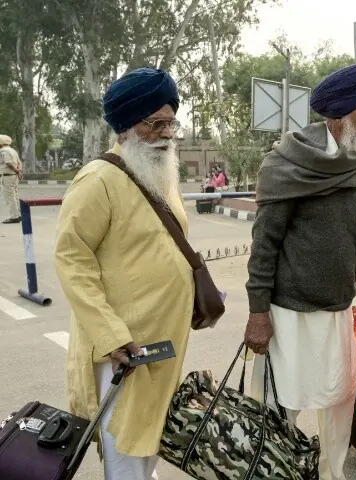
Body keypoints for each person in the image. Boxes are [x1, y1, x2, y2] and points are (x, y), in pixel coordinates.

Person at [243, 61, 356, 480]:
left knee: (339, 407)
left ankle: (330, 475)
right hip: (287, 315)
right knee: (276, 411)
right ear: (339, 114)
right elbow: (264, 246)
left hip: (338, 312)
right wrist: (257, 314)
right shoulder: (289, 164)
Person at [54, 67, 191, 480]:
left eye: (172, 122)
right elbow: (71, 260)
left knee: (150, 443)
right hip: (124, 349)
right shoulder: (98, 179)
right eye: (157, 123)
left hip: (163, 344)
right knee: (125, 447)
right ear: (128, 126)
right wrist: (111, 334)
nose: (168, 133)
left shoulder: (159, 174)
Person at [0, 134, 23, 224]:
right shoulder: (13, 150)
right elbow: (19, 163)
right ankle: (18, 214)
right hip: (14, 176)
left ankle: (14, 216)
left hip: (7, 176)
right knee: (15, 195)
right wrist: (19, 171)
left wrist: (17, 171)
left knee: (10, 196)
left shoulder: (3, 151)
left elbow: (8, 163)